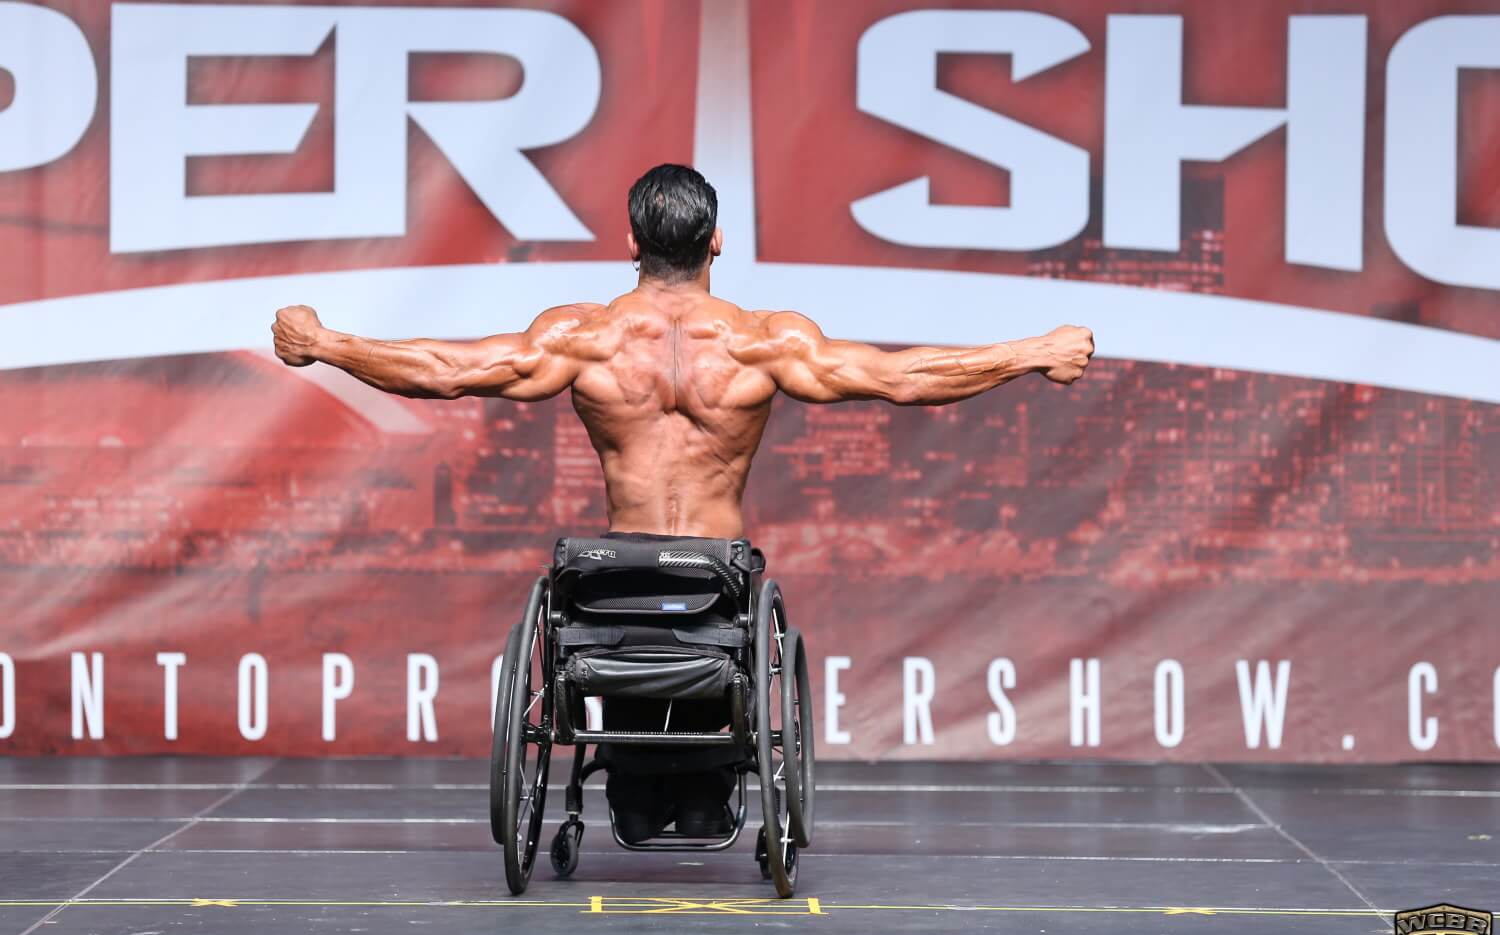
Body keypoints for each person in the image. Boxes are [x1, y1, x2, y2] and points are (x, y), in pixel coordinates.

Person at [271, 163, 1094, 842]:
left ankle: (634, 782)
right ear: (717, 241)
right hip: (715, 588)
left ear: (632, 244)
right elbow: (900, 379)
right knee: (703, 795)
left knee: (634, 806)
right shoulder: (763, 343)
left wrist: (327, 344)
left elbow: (447, 372)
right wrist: (1032, 353)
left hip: (612, 590)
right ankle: (703, 785)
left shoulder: (583, 339)